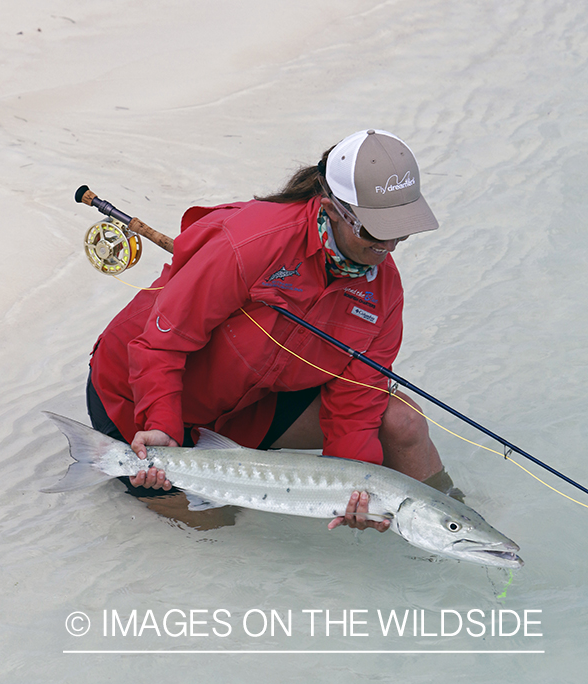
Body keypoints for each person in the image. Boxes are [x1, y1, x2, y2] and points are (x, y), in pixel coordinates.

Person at [87, 128, 451, 532]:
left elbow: (356, 402)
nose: (390, 245)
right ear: (331, 208)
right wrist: (159, 426)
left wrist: (357, 487)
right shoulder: (252, 242)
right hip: (137, 399)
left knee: (404, 422)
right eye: (373, 230)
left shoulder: (384, 291)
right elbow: (160, 345)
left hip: (248, 409)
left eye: (401, 228)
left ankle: (451, 529)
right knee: (218, 522)